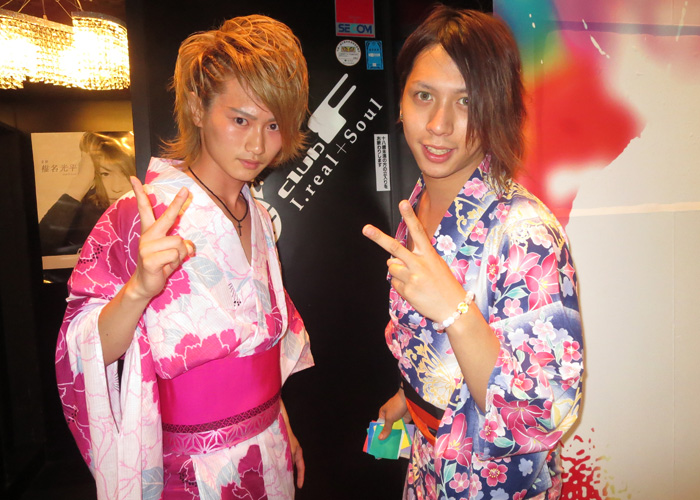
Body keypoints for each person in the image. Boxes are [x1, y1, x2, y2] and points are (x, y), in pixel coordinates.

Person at [55, 14, 313, 500]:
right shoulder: (139, 213)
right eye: (240, 119)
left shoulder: (257, 214)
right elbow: (81, 351)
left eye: (274, 125)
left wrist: (281, 423)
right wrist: (138, 290)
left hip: (268, 448)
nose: (258, 144)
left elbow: (260, 346)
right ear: (197, 107)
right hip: (192, 469)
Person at [362, 6, 583, 499]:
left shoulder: (526, 234)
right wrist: (410, 397)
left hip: (489, 481)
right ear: (401, 101)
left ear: (495, 109)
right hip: (428, 460)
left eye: (465, 101)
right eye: (424, 95)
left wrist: (455, 310)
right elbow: (439, 354)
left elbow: (547, 410)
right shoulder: (420, 204)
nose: (439, 124)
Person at [39, 131, 135, 256]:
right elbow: (40, 249)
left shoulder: (151, 209)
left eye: (126, 174)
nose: (116, 188)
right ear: (93, 173)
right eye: (105, 174)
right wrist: (80, 183)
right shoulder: (81, 215)